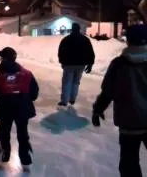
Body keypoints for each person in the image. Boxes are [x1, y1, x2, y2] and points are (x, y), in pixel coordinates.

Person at [92, 24, 147, 177]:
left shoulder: (119, 64)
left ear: (128, 41)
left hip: (129, 122)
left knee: (129, 164)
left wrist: (98, 110)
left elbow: (108, 91)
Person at [0, 47, 39, 171]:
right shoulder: (27, 74)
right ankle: (26, 163)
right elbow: (34, 94)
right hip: (23, 108)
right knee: (23, 134)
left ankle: (3, 160)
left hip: (5, 108)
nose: (0, 59)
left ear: (4, 59)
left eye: (1, 57)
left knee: (4, 133)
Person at [58, 23, 95, 107]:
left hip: (68, 65)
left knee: (67, 82)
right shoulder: (85, 40)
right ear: (79, 29)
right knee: (76, 82)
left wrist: (62, 62)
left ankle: (64, 101)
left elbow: (61, 52)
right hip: (81, 65)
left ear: (72, 29)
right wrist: (90, 64)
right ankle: (72, 99)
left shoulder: (66, 39)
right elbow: (90, 53)